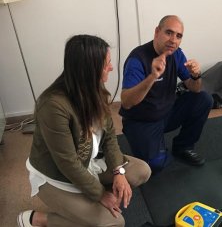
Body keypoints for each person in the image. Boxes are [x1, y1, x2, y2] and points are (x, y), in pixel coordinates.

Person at [18, 35, 151, 227]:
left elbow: (110, 138)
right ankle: (39, 219)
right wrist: (100, 195)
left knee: (141, 171)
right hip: (55, 177)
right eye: (107, 64)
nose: (111, 68)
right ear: (90, 69)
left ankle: (84, 205)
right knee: (115, 223)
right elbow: (68, 163)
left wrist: (118, 172)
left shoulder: (95, 89)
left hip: (88, 161)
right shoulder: (52, 106)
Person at [120, 15, 213, 172]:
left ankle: (183, 147)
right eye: (169, 33)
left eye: (178, 36)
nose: (173, 40)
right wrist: (152, 77)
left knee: (204, 98)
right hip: (142, 120)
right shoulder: (137, 59)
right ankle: (156, 148)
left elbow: (195, 88)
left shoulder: (176, 54)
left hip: (167, 113)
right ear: (157, 32)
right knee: (155, 166)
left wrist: (196, 75)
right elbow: (126, 102)